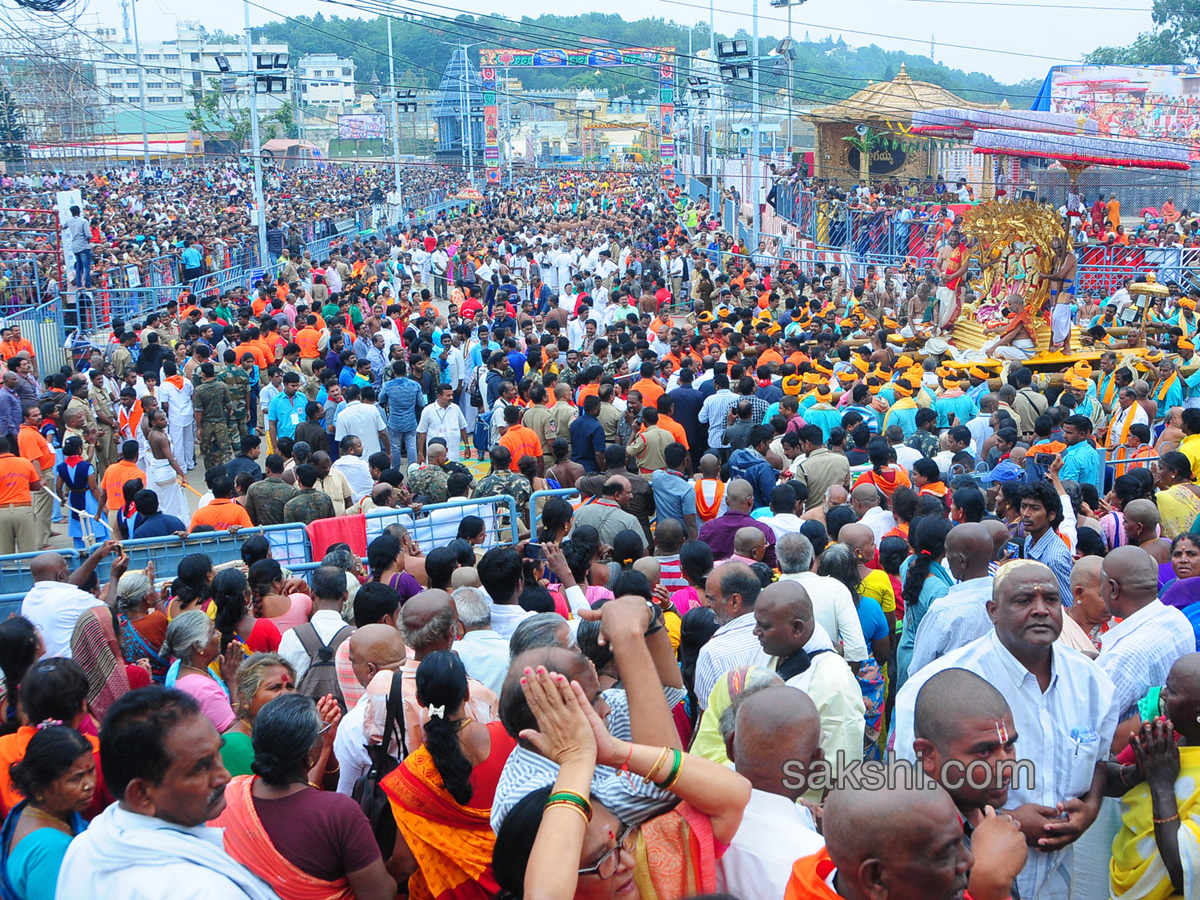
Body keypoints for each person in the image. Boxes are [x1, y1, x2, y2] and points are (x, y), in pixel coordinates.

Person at [894, 560, 1118, 900]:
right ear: (993, 610)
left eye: (1051, 600)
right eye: (1024, 600)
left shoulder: (1092, 682)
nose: (1040, 610)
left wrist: (1090, 808)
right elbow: (910, 787)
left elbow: (1099, 758)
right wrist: (1004, 821)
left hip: (1057, 878)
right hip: (967, 878)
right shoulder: (936, 687)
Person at [491, 665, 751, 900]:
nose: (628, 862)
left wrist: (618, 752)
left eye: (622, 840)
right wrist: (577, 761)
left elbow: (735, 794)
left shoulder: (653, 867)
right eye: (600, 859)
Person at [55, 686, 281, 899]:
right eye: (200, 768)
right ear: (141, 795)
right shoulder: (202, 891)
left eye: (217, 754)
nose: (223, 776)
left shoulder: (86, 845)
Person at [214, 693, 395, 900]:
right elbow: (380, 894)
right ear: (310, 752)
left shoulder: (229, 794)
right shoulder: (338, 813)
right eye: (321, 733)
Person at [381, 651, 517, 900]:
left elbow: (404, 863)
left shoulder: (413, 775)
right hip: (512, 882)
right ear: (466, 693)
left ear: (421, 700)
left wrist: (374, 882)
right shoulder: (508, 738)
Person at [0, 725, 95, 900]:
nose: (89, 784)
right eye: (76, 778)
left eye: (91, 771)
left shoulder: (27, 810)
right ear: (39, 789)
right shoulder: (52, 850)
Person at [161, 610, 242, 734]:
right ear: (198, 647)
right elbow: (235, 730)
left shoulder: (178, 666)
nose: (219, 634)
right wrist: (231, 680)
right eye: (213, 632)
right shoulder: (203, 689)